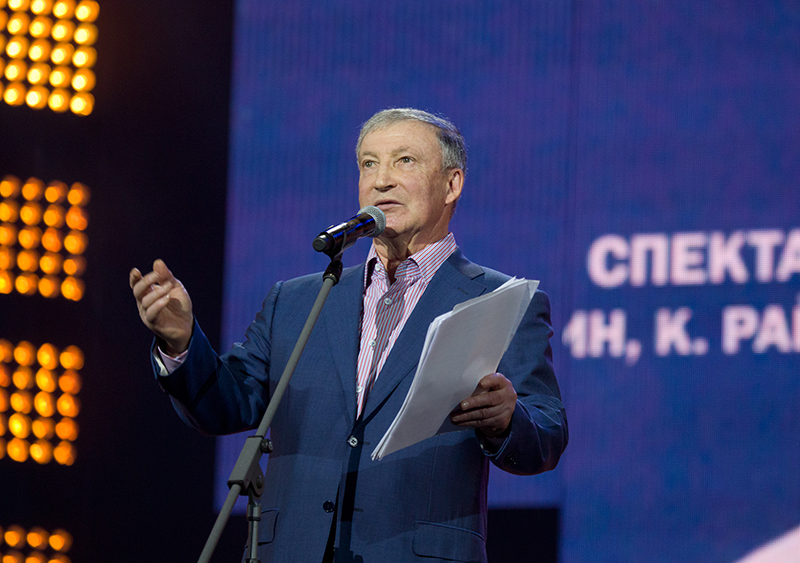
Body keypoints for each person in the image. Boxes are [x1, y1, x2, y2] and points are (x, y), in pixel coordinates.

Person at [130, 108, 567, 563]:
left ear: (452, 184)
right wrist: (181, 344)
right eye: (368, 164)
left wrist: (507, 419)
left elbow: (548, 433)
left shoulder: (499, 300)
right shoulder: (296, 301)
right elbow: (226, 404)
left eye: (404, 161)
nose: (381, 181)